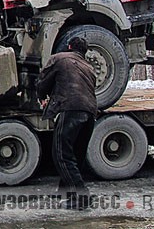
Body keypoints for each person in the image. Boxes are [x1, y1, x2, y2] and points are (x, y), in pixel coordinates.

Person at [36, 36, 97, 209]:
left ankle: (82, 197)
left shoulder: (59, 58)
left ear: (69, 46)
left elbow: (43, 81)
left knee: (61, 154)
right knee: (74, 156)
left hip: (70, 109)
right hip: (90, 113)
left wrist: (42, 97)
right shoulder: (89, 67)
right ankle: (66, 194)